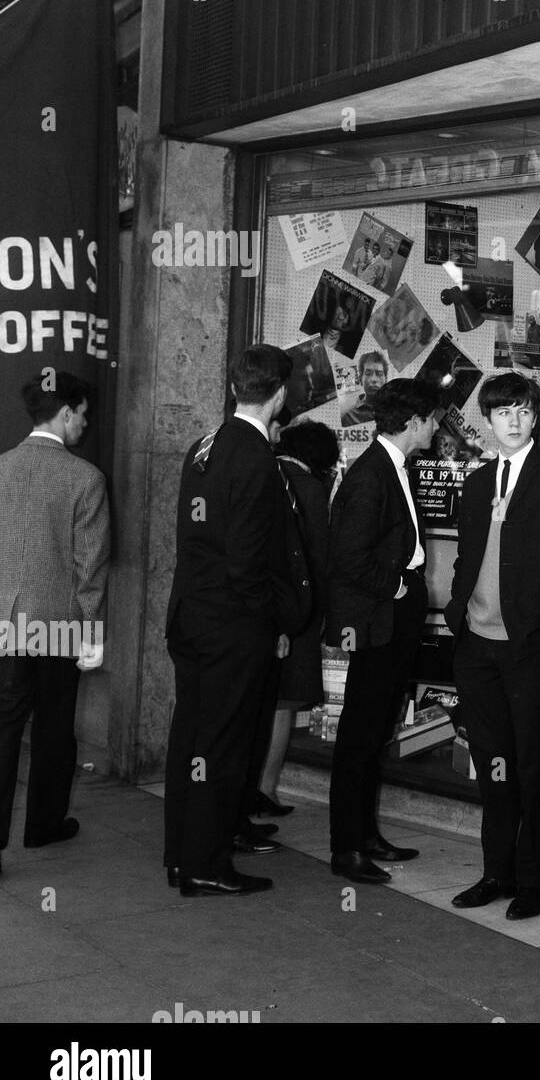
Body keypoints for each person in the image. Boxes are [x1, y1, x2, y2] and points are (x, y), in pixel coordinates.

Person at [445, 372, 540, 921]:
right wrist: (458, 615)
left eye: (524, 411)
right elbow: (467, 557)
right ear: (488, 420)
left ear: (536, 417)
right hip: (476, 646)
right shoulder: (478, 483)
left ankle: (533, 882)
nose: (514, 420)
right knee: (493, 762)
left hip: (530, 646)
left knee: (533, 766)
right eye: (503, 411)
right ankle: (495, 872)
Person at [164, 346, 307, 897]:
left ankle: (181, 855)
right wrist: (269, 624)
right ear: (277, 395)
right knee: (223, 747)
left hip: (192, 618)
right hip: (232, 625)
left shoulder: (205, 446)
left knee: (191, 739)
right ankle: (206, 865)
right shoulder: (256, 457)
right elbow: (248, 563)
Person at [326, 379, 438, 884]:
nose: (436, 426)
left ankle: (366, 835)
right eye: (431, 418)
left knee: (374, 730)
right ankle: (346, 848)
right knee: (360, 733)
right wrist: (393, 585)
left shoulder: (391, 466)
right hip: (378, 616)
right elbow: (348, 554)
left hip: (394, 614)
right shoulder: (373, 474)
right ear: (413, 422)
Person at [0, 373, 109, 875]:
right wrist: (91, 631)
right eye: (82, 415)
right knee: (53, 727)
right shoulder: (84, 477)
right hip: (58, 622)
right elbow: (90, 565)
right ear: (65, 412)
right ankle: (43, 825)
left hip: (6, 621)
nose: (84, 425)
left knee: (3, 729)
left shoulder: (1, 469)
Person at [249, 420, 338, 817]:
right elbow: (319, 559)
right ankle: (266, 791)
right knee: (282, 707)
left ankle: (248, 791)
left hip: (259, 612)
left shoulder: (263, 474)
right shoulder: (310, 489)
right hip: (296, 614)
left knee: (257, 704)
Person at [341, 351, 388, 426]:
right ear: (360, 379)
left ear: (386, 380)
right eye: (368, 374)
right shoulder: (348, 417)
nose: (374, 379)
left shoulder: (394, 413)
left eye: (379, 374)